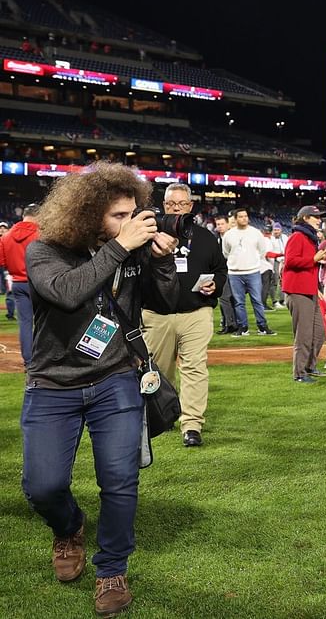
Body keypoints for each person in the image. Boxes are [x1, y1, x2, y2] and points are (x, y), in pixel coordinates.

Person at [22, 163, 180, 616]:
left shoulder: (129, 251)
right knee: (43, 486)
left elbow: (165, 303)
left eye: (135, 213)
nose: (130, 223)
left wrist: (161, 260)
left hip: (115, 380)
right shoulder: (45, 250)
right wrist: (120, 247)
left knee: (120, 479)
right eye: (118, 215)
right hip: (53, 384)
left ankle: (112, 568)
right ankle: (69, 526)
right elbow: (68, 293)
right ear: (89, 214)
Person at [140, 183, 227, 447]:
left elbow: (220, 268)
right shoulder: (148, 234)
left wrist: (216, 284)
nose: (176, 208)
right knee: (158, 369)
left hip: (195, 311)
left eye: (181, 203)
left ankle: (191, 424)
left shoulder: (204, 237)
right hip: (157, 313)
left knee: (194, 367)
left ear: (190, 206)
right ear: (164, 205)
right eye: (170, 204)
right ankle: (163, 415)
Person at [283, 206, 326, 383]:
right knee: (303, 334)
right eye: (315, 217)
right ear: (304, 218)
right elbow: (290, 261)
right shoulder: (297, 236)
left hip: (309, 290)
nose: (319, 220)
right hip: (297, 290)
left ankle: (310, 366)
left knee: (319, 332)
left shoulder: (310, 238)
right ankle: (299, 373)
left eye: (319, 217)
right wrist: (313, 259)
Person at [222, 209, 275, 336]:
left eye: (245, 216)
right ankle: (243, 327)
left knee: (257, 300)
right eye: (241, 216)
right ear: (235, 218)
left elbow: (262, 251)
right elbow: (226, 253)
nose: (244, 219)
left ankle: (262, 326)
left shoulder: (256, 233)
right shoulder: (229, 235)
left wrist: (252, 261)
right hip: (235, 273)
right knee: (239, 302)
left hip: (253, 271)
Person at [0, 202, 39, 369]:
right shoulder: (42, 233)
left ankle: (29, 362)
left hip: (18, 284)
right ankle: (44, 361)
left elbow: (2, 262)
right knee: (46, 322)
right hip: (39, 284)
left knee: (25, 323)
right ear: (38, 215)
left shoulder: (5, 237)